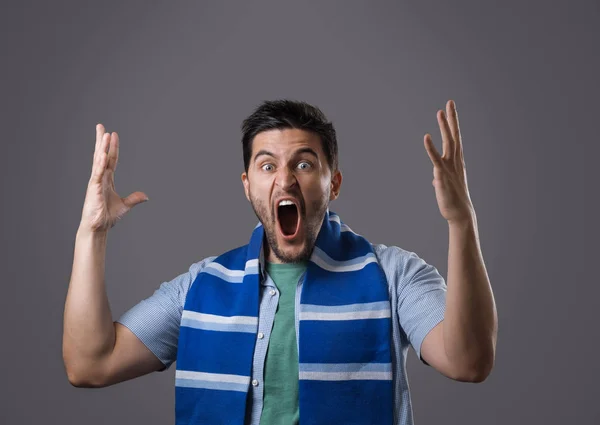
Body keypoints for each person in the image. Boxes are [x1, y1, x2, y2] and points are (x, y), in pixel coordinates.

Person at [63, 99, 497, 425]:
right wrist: (92, 233)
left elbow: (469, 361)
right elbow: (90, 364)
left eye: (305, 164)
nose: (286, 179)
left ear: (335, 183)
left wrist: (462, 222)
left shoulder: (393, 276)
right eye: (267, 166)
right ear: (247, 185)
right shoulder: (199, 287)